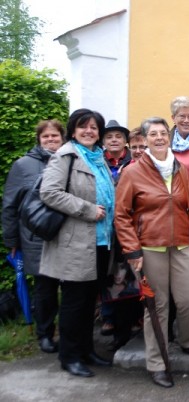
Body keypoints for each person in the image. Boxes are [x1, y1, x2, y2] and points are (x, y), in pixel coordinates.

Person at [114, 117, 189, 388]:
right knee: (157, 307)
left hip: (181, 245)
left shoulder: (178, 169)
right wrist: (132, 251)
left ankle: (188, 341)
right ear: (144, 139)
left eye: (162, 133)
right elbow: (121, 216)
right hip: (149, 248)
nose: (158, 138)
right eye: (152, 134)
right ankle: (156, 363)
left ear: (169, 137)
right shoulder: (132, 172)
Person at [38, 109, 114, 377]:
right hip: (75, 241)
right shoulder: (65, 156)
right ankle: (69, 357)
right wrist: (87, 209)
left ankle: (86, 351)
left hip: (100, 241)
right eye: (84, 127)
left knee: (87, 302)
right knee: (73, 302)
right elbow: (49, 192)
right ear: (73, 130)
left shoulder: (98, 157)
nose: (89, 131)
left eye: (94, 127)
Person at [2, 119, 65, 354]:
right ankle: (45, 334)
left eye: (55, 136)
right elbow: (10, 206)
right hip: (35, 238)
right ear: (39, 139)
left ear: (62, 138)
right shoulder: (23, 165)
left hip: (66, 236)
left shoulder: (70, 160)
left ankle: (68, 334)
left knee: (70, 288)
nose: (50, 140)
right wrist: (11, 242)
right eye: (46, 137)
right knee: (45, 290)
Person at [99, 119, 131, 338]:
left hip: (128, 226)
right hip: (104, 227)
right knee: (107, 274)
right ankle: (108, 316)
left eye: (118, 136)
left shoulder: (134, 161)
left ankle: (130, 316)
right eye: (109, 137)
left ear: (125, 140)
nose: (114, 140)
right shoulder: (98, 162)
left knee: (127, 274)